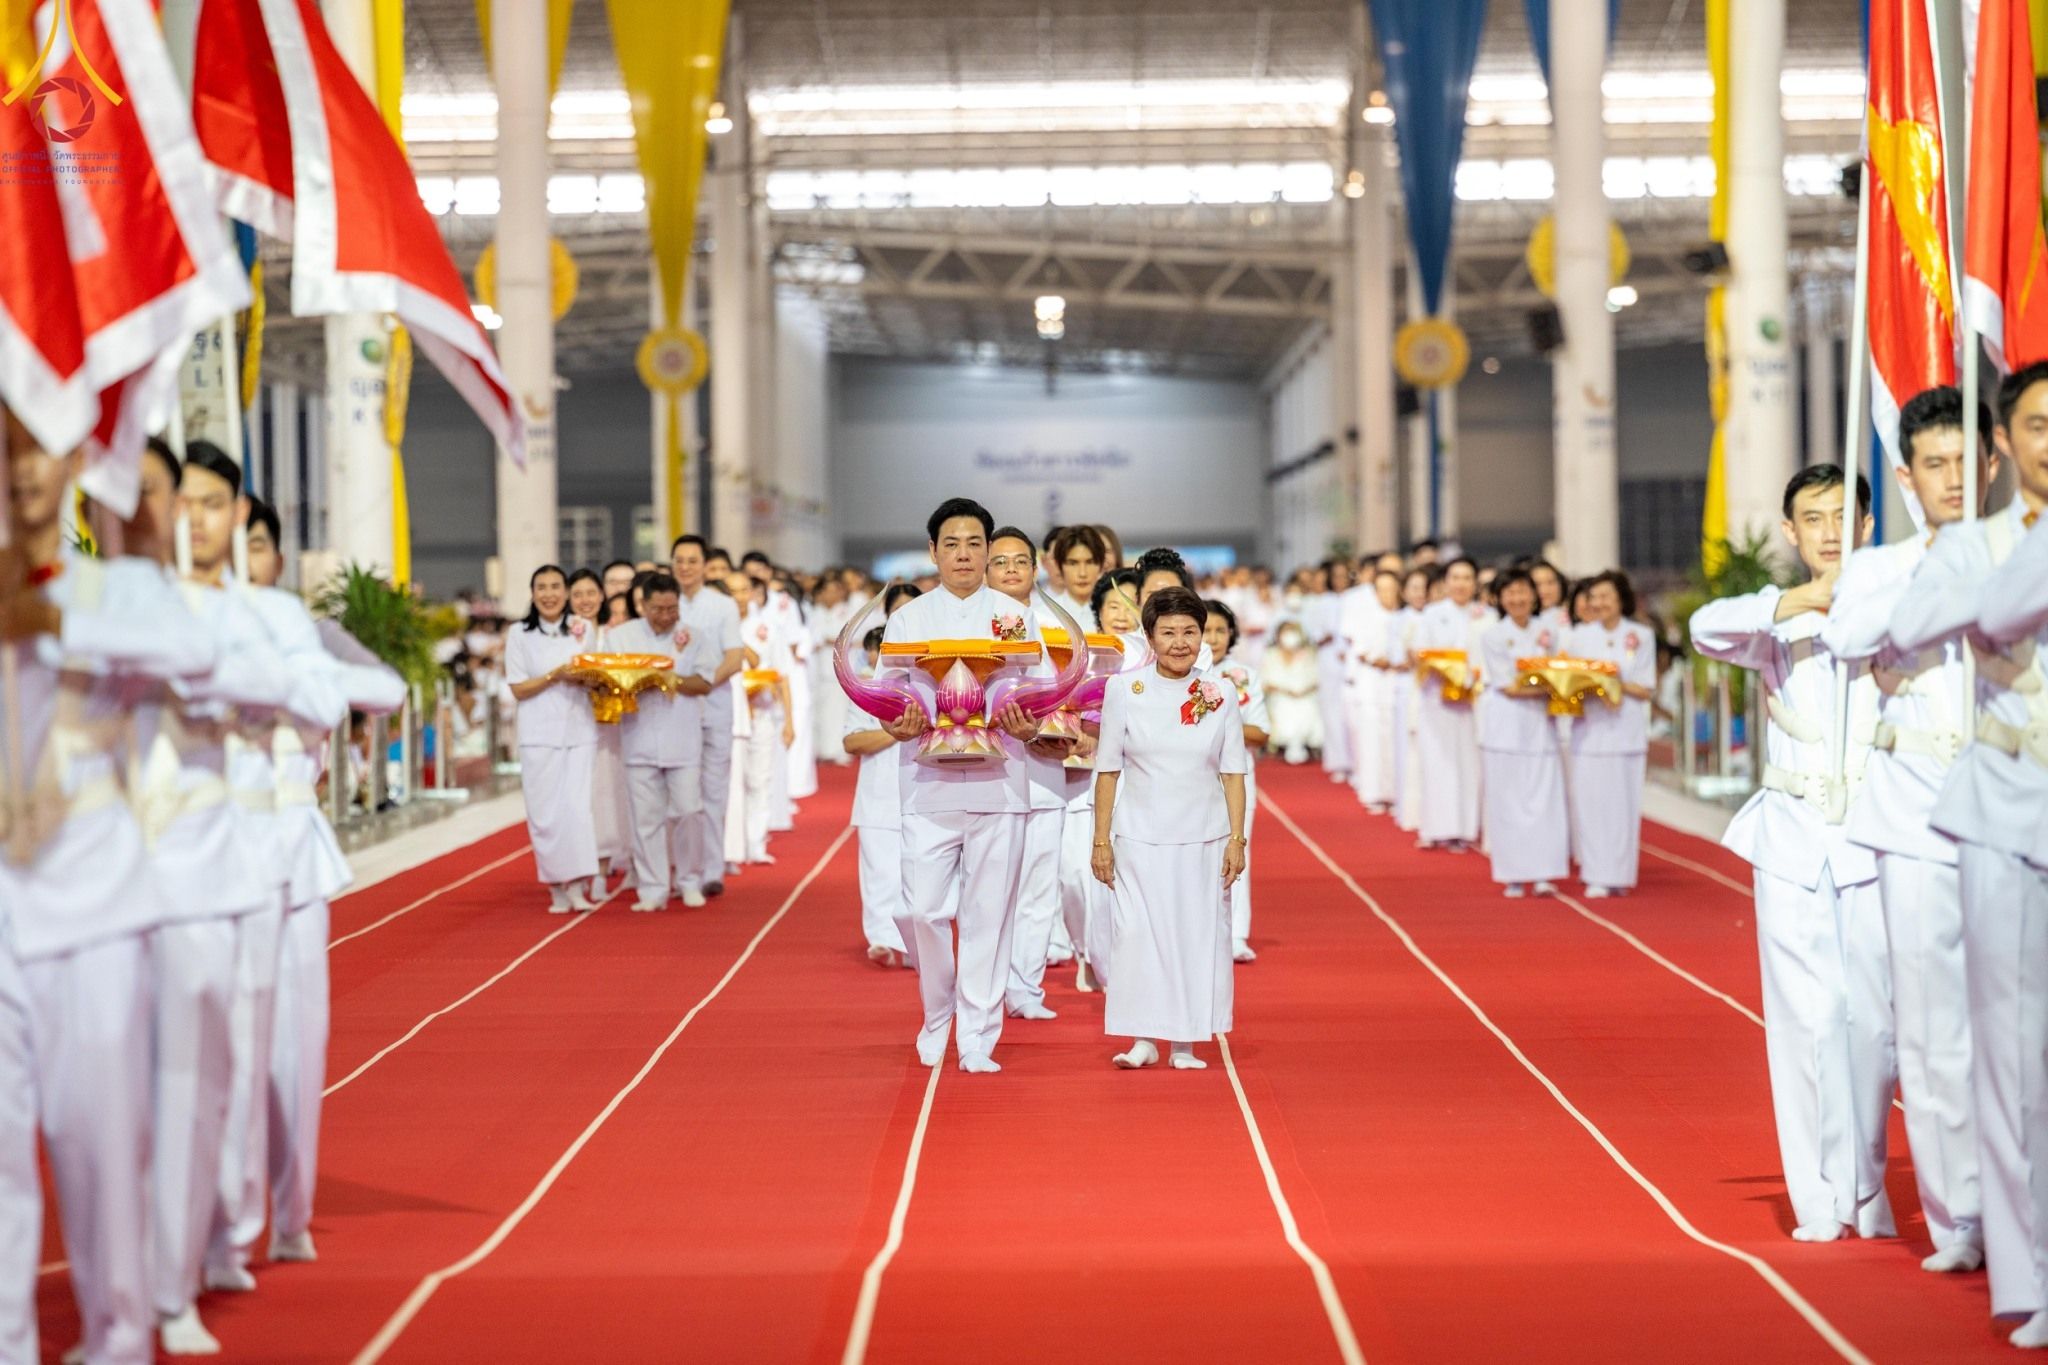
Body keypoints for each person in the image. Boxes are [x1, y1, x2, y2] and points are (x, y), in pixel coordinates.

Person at [2, 411, 219, 1365]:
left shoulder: (117, 590)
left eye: (32, 448)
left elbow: (197, 657)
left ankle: (119, 1337)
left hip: (90, 905)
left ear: (76, 462)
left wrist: (51, 615)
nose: (17, 472)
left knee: (96, 1152)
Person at [1690, 464, 1896, 1245]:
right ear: (1790, 532)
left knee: (1874, 1024)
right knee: (1807, 1018)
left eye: (1845, 515)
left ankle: (1869, 1184)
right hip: (1792, 834)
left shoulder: (1898, 601)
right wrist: (1797, 601)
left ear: (1869, 524)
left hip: (1878, 834)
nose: (1831, 531)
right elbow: (1706, 628)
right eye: (1814, 518)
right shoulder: (1769, 616)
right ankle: (1820, 1198)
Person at [1821, 384, 1995, 1279]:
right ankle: (1958, 1212)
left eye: (1968, 461)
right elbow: (1848, 637)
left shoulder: (2022, 552)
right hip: (1916, 814)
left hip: (2012, 809)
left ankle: (2020, 1204)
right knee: (1930, 1028)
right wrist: (1939, 571)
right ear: (1906, 474)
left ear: (1995, 460)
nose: (1954, 478)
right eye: (1934, 464)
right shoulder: (1879, 565)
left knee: (2013, 1023)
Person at [1892, 359, 2048, 1345]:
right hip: (2006, 806)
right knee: (2009, 1052)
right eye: (2037, 425)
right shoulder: (1972, 545)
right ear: (2004, 443)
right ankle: (2030, 1278)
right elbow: (1929, 624)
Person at [240, 499, 404, 1277]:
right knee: (214, 1051)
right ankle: (224, 1225)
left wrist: (299, 658)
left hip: (295, 845)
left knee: (295, 1048)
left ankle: (291, 1209)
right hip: (204, 854)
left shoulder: (303, 631)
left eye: (259, 540)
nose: (243, 551)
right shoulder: (177, 625)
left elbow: (390, 689)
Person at [876, 498, 1051, 1073]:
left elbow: (1041, 689)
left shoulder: (1015, 616)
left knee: (988, 916)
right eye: (951, 544)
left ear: (989, 550)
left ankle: (977, 1034)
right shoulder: (908, 619)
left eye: (975, 544)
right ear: (932, 552)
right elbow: (886, 697)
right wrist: (892, 721)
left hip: (1001, 781)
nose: (963, 555)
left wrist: (1031, 720)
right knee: (923, 910)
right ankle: (936, 1014)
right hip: (926, 782)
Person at [1090, 588, 1248, 1070]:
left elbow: (1233, 772)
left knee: (1194, 936)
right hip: (1138, 835)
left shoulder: (1218, 694)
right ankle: (1143, 1038)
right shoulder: (1125, 690)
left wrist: (1237, 840)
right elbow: (1108, 769)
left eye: (1189, 632)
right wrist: (1100, 841)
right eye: (1169, 633)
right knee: (1136, 935)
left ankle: (1185, 1042)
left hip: (1202, 835)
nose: (1180, 642)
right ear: (1149, 637)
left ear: (1203, 636)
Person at [989, 527, 1075, 1019]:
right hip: (988, 772)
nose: (1012, 570)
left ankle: (1025, 987)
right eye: (1000, 562)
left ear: (1037, 564)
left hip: (1045, 767)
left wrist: (1073, 727)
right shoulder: (972, 622)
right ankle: (985, 987)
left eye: (1021, 560)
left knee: (1040, 886)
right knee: (990, 891)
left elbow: (1079, 689)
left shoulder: (1057, 624)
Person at [608, 571, 715, 909]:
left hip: (682, 738)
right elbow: (608, 681)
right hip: (638, 736)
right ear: (643, 605)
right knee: (646, 818)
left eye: (672, 609)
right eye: (659, 609)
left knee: (688, 811)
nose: (667, 616)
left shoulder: (694, 636)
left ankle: (689, 880)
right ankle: (653, 888)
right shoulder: (620, 637)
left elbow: (704, 682)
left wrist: (671, 679)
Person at [503, 565, 602, 913]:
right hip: (538, 733)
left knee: (576, 811)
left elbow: (593, 676)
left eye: (555, 587)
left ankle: (577, 885)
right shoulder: (519, 634)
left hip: (579, 730)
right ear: (532, 594)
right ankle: (555, 886)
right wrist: (554, 676)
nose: (549, 594)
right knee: (545, 814)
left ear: (566, 592)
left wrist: (584, 679)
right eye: (541, 587)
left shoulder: (582, 628)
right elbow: (518, 688)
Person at [1565, 570, 1657, 897]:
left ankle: (1620, 874)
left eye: (1606, 596)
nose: (1600, 603)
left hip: (1626, 731)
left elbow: (1646, 688)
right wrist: (1592, 684)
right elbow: (1569, 683)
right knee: (1591, 804)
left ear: (1621, 599)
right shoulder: (1578, 637)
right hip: (1588, 732)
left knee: (1622, 805)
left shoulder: (1641, 635)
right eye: (1594, 597)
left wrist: (1612, 681)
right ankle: (1595, 873)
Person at [1477, 570, 1567, 898]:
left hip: (1541, 725)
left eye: (1523, 592)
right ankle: (1513, 874)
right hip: (1506, 725)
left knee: (1545, 799)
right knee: (1508, 801)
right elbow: (1509, 685)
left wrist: (1553, 683)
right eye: (1510, 593)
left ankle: (1545, 871)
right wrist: (1549, 683)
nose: (1517, 599)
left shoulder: (1549, 631)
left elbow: (1560, 672)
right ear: (1500, 599)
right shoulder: (1493, 636)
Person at [845, 587, 923, 966]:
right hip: (878, 792)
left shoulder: (937, 676)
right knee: (880, 872)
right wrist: (895, 731)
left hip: (925, 789)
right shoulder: (865, 684)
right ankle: (882, 940)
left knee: (918, 874)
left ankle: (913, 942)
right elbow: (852, 741)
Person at [672, 536, 746, 895]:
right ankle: (683, 867)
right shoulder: (665, 604)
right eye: (679, 560)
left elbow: (734, 657)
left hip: (715, 703)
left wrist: (703, 683)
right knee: (682, 793)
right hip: (674, 709)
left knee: (714, 789)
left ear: (704, 564)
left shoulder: (723, 606)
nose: (685, 567)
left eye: (692, 560)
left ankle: (711, 869)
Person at [1410, 557, 1490, 852]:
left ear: (1475, 583)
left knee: (1468, 765)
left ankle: (1465, 829)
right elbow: (1420, 654)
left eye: (1467, 578)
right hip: (1437, 699)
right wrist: (1445, 669)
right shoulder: (1432, 614)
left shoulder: (1485, 615)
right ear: (1445, 582)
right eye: (1455, 577)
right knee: (1437, 763)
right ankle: (1435, 827)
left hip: (1473, 701)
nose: (1460, 584)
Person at [1205, 599, 1269, 963]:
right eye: (1206, 629)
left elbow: (1261, 733)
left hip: (1235, 779)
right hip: (1189, 779)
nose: (1212, 638)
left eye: (1220, 630)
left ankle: (1236, 934)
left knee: (1235, 850)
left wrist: (1223, 722)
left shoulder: (1243, 676)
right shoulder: (1178, 673)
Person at [570, 570, 631, 893]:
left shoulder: (614, 636)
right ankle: (578, 865)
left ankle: (603, 867)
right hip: (572, 725)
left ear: (601, 596)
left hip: (609, 726)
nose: (585, 600)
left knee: (607, 793)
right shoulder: (564, 635)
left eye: (590, 593)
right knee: (579, 798)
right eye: (578, 594)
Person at [731, 572, 796, 866]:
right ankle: (731, 847)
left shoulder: (766, 627)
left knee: (759, 780)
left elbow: (782, 676)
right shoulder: (716, 626)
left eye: (744, 590)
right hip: (729, 716)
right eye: (732, 591)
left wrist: (789, 721)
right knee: (732, 783)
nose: (739, 597)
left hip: (761, 714)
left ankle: (755, 843)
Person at [1307, 559, 1353, 782]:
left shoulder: (1357, 600)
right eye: (1336, 576)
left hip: (1353, 661)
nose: (1340, 580)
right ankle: (1338, 761)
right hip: (1329, 660)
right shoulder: (1322, 602)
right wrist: (1323, 636)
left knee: (1351, 711)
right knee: (1332, 711)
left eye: (1344, 576)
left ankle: (1355, 761)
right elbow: (1312, 632)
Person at [1258, 618, 1321, 763]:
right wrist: (1285, 690)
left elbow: (1316, 678)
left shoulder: (1308, 653)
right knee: (1284, 707)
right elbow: (1265, 681)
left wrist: (1302, 691)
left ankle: (1301, 744)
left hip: (1305, 695)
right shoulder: (1270, 654)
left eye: (1293, 631)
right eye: (1286, 632)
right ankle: (1288, 744)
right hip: (1279, 696)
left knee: (1306, 706)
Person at [1049, 524, 1109, 626]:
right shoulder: (1042, 615)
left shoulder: (1116, 618)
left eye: (1090, 562)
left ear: (1101, 565)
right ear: (1059, 566)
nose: (1082, 573)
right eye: (1073, 563)